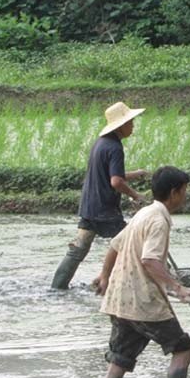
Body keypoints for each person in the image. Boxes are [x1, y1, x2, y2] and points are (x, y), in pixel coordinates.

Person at [94, 166, 190, 378]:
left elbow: (115, 245)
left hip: (120, 301)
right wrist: (177, 288)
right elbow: (149, 260)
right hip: (144, 302)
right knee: (183, 348)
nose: (185, 196)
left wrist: (104, 276)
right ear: (174, 193)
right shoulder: (159, 220)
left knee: (119, 360)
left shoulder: (144, 213)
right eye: (184, 191)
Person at [51, 101, 149, 290]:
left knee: (77, 250)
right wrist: (136, 195)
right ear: (121, 125)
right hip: (105, 210)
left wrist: (136, 174)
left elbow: (111, 175)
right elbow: (116, 182)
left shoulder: (101, 143)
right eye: (131, 122)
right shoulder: (115, 148)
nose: (133, 126)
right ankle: (153, 279)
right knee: (131, 242)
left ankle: (56, 288)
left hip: (89, 206)